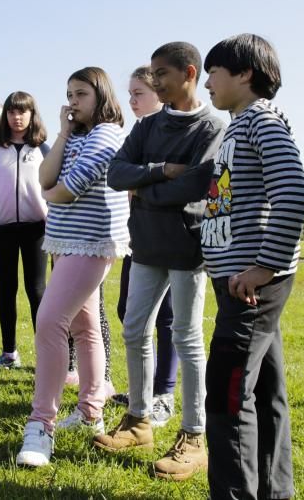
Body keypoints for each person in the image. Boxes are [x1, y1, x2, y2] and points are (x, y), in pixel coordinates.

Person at [97, 43, 226, 482]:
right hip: (146, 245)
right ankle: (138, 421)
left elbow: (197, 185)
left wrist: (148, 187)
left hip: (189, 250)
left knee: (188, 338)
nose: (154, 83)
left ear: (189, 72)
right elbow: (117, 174)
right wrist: (158, 170)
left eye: (161, 74)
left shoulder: (213, 126)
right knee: (134, 329)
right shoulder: (149, 125)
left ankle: (194, 436)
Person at [202, 34, 304, 497]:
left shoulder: (261, 122)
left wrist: (264, 268)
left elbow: (293, 193)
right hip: (240, 279)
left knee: (227, 395)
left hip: (251, 284)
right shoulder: (238, 126)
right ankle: (273, 490)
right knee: (264, 391)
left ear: (245, 74)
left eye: (215, 71)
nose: (208, 82)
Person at [16, 66, 130, 468]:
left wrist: (51, 190)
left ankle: (40, 424)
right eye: (68, 93)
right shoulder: (77, 136)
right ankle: (90, 411)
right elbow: (44, 177)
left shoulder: (108, 135)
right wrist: (62, 135)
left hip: (91, 243)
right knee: (84, 327)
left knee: (49, 321)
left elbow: (64, 191)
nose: (72, 101)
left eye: (81, 94)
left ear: (101, 95)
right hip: (66, 242)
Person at [111, 65, 181, 426]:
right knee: (129, 312)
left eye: (138, 93)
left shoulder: (174, 131)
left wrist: (143, 179)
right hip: (138, 237)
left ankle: (164, 394)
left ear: (159, 92)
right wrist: (152, 175)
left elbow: (176, 184)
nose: (132, 100)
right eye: (130, 94)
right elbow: (120, 176)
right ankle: (146, 388)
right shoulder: (138, 133)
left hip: (170, 239)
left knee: (168, 318)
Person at [0, 91, 49, 371]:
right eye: (11, 111)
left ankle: (46, 356)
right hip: (3, 230)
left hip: (37, 230)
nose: (17, 117)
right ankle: (9, 353)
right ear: (5, 115)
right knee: (6, 291)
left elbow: (53, 186)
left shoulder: (44, 149)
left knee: (37, 291)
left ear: (32, 115)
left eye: (22, 112)